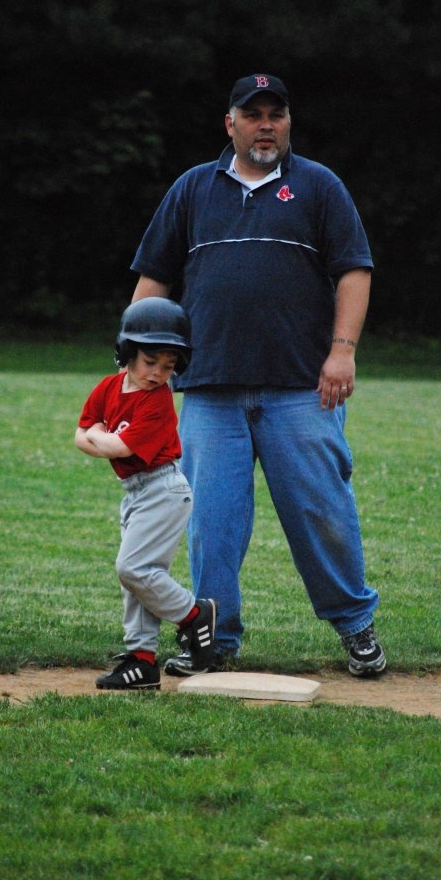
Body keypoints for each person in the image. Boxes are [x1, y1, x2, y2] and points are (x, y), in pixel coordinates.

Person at [129, 72, 386, 679]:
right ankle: (214, 643)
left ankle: (356, 627)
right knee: (211, 527)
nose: (265, 124)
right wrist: (139, 364)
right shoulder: (194, 188)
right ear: (231, 123)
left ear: (288, 121)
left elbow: (354, 270)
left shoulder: (319, 186)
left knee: (322, 514)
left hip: (302, 389)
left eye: (276, 113)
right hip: (210, 391)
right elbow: (153, 281)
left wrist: (342, 351)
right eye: (253, 114)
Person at [75, 297, 216, 690]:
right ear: (126, 352)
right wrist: (99, 436)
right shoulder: (107, 387)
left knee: (133, 569)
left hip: (164, 490)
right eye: (150, 361)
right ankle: (142, 662)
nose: (158, 373)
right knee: (137, 578)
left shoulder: (158, 403)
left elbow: (115, 447)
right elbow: (79, 437)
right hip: (135, 492)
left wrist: (99, 434)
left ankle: (193, 615)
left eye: (169, 365)